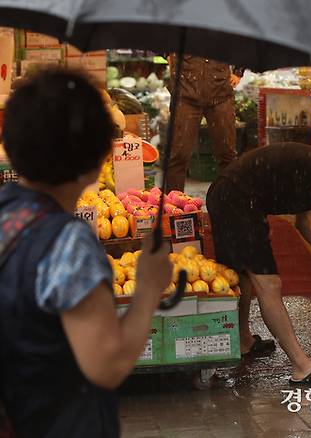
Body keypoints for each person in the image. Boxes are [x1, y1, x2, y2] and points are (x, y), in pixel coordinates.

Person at [0, 69, 172, 437]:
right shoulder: (68, 242)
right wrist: (147, 291)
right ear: (97, 159)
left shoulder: (5, 212)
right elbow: (106, 364)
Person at [206, 140, 311, 385]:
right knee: (269, 284)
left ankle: (244, 341)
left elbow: (306, 226)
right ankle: (302, 366)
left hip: (227, 195)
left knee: (242, 275)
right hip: (238, 202)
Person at [166, 55, 239, 192]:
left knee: (227, 154)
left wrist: (238, 71)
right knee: (178, 156)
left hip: (221, 93)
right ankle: (174, 206)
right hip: (185, 94)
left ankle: (230, 202)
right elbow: (164, 40)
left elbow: (241, 43)